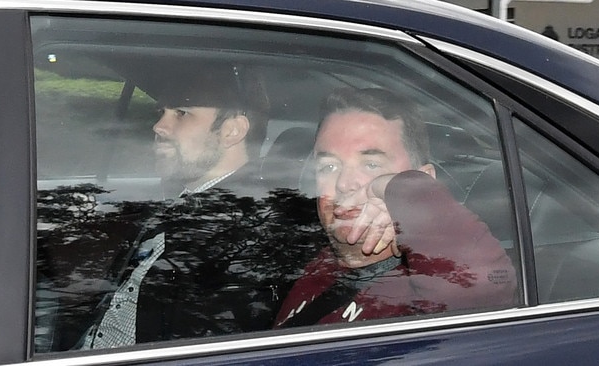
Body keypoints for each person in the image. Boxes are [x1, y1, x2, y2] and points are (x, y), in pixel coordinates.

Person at [274, 88, 517, 327]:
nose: (344, 183)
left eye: (371, 164)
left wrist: (403, 194)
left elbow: (481, 289)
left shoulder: (420, 290)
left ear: (422, 182)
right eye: (329, 167)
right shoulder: (317, 265)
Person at [79, 65, 283, 349]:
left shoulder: (245, 233)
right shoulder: (185, 205)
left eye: (182, 113)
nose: (158, 126)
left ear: (231, 131)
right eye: (161, 112)